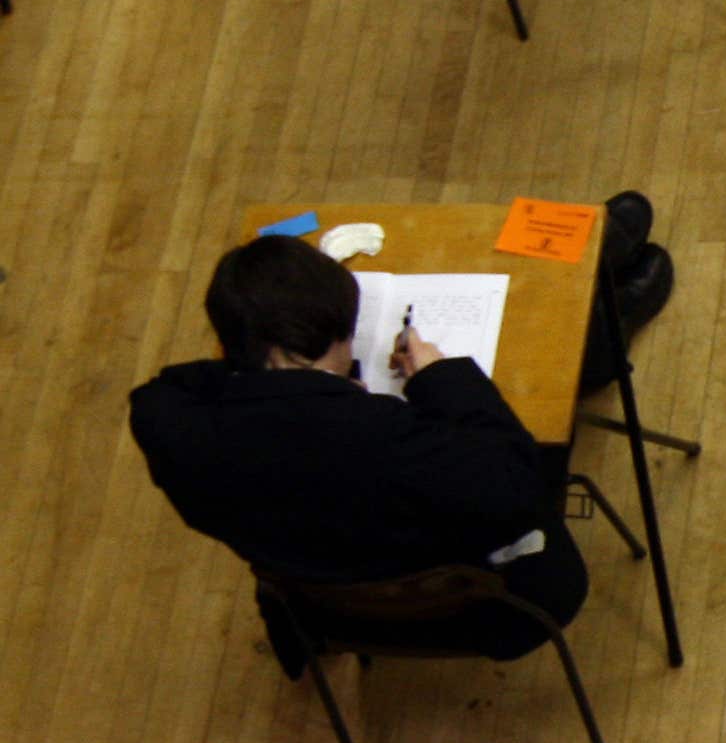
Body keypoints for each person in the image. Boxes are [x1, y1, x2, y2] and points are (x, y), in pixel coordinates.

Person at [128, 232, 589, 668]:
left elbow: (163, 389)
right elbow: (515, 486)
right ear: (336, 334)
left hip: (324, 610)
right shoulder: (387, 440)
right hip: (481, 611)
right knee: (548, 448)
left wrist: (278, 383)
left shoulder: (172, 429)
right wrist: (440, 377)